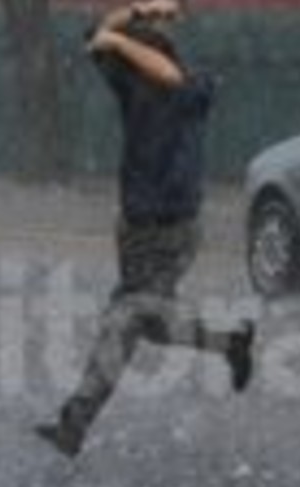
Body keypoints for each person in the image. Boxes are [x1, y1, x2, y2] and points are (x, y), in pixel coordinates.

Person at [34, 0, 256, 458]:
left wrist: (118, 40)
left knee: (126, 317)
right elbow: (92, 33)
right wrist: (134, 12)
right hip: (136, 228)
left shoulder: (195, 84)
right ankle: (230, 340)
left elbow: (168, 77)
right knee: (150, 324)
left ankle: (75, 421)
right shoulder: (130, 78)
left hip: (174, 229)